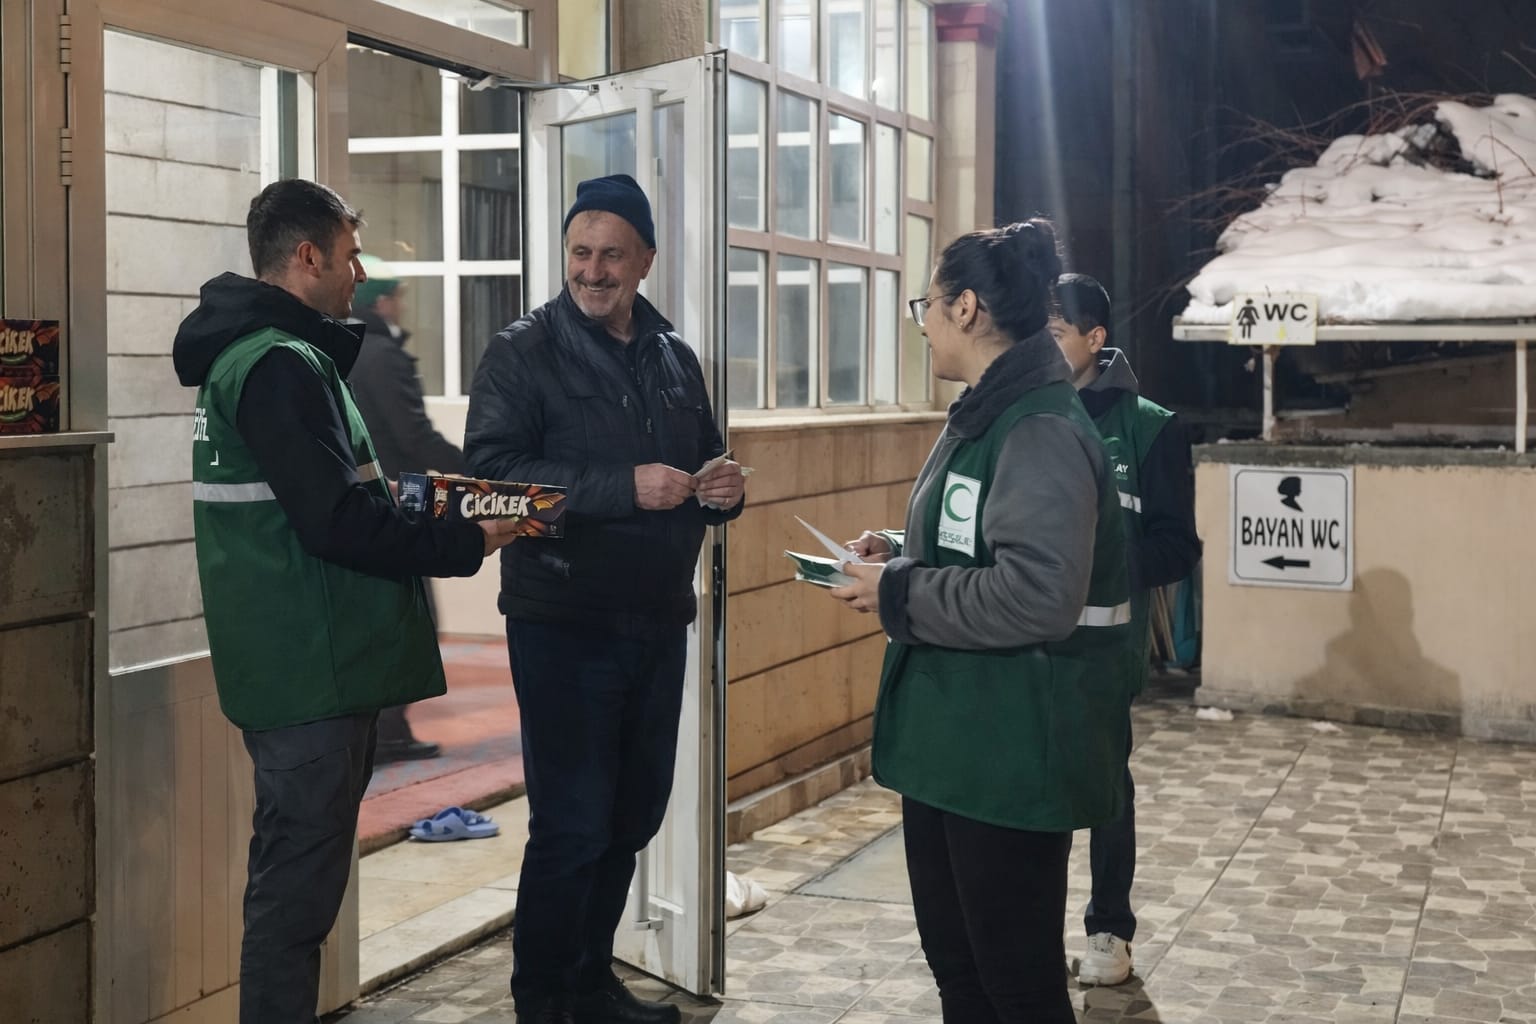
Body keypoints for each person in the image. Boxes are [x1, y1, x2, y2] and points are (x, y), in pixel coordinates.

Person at [172, 178, 521, 1024]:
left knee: (296, 887)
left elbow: (335, 500)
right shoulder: (278, 366)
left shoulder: (267, 358)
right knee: (294, 901)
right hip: (309, 675)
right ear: (308, 257)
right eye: (352, 256)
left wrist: (435, 510)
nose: (361, 273)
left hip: (301, 668)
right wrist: (467, 541)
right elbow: (334, 522)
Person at [831, 220, 1135, 1023]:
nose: (922, 323)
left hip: (1011, 753)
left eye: (924, 306)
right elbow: (983, 541)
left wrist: (898, 591)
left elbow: (1038, 593)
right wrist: (899, 551)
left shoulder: (1037, 426)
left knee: (1017, 989)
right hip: (961, 742)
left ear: (964, 308)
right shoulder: (987, 412)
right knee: (963, 978)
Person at [464, 173, 746, 1024]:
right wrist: (623, 486)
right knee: (573, 824)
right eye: (580, 252)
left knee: (631, 817)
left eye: (612, 254)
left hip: (656, 621)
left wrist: (723, 488)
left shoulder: (674, 357)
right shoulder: (522, 352)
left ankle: (588, 984)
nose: (593, 270)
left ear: (646, 260)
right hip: (564, 624)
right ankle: (544, 1001)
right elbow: (494, 480)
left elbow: (701, 461)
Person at [1048, 273, 1202, 986]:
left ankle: (1109, 927)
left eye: (1056, 333)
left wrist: (1100, 564)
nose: (1044, 346)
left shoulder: (1150, 426)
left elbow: (1177, 546)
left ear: (1095, 338)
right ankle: (1033, 923)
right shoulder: (1024, 413)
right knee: (1036, 785)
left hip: (1105, 648)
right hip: (1024, 639)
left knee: (1105, 784)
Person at [350, 254, 473, 763]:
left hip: (360, 502)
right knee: (410, 615)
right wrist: (479, 473)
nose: (403, 304)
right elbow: (414, 435)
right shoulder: (384, 355)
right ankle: (390, 730)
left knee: (378, 618)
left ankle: (382, 729)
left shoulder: (338, 349)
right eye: (399, 295)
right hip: (400, 500)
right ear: (383, 300)